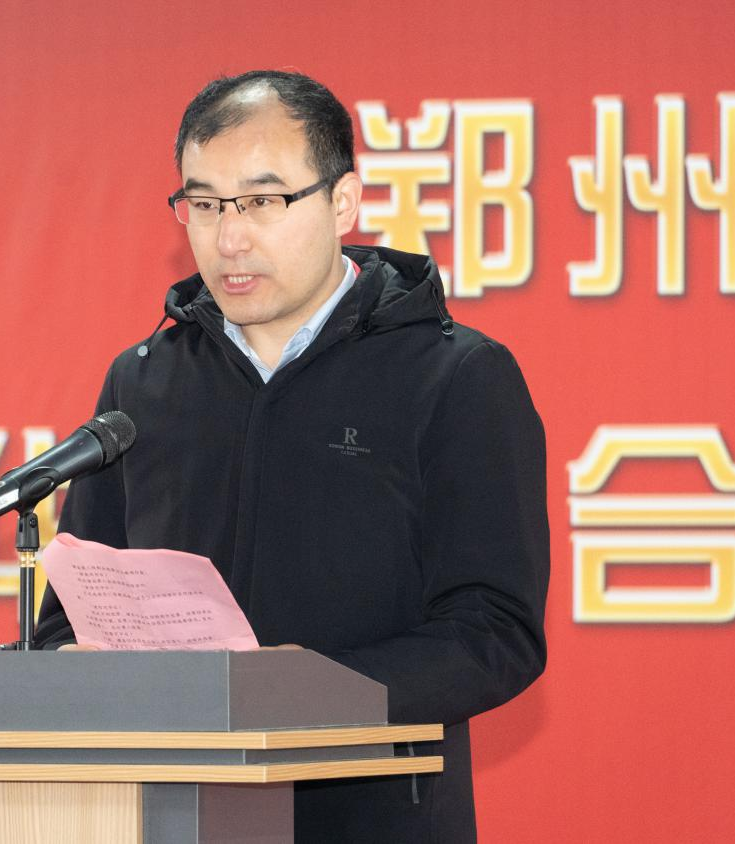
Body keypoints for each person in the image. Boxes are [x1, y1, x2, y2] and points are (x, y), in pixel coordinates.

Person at [35, 69, 549, 842]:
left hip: (372, 816)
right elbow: (69, 617)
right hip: (173, 814)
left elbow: (495, 632)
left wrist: (308, 690)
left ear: (342, 202)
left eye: (263, 202)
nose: (229, 237)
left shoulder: (454, 376)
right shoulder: (143, 382)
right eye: (204, 204)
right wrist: (73, 661)